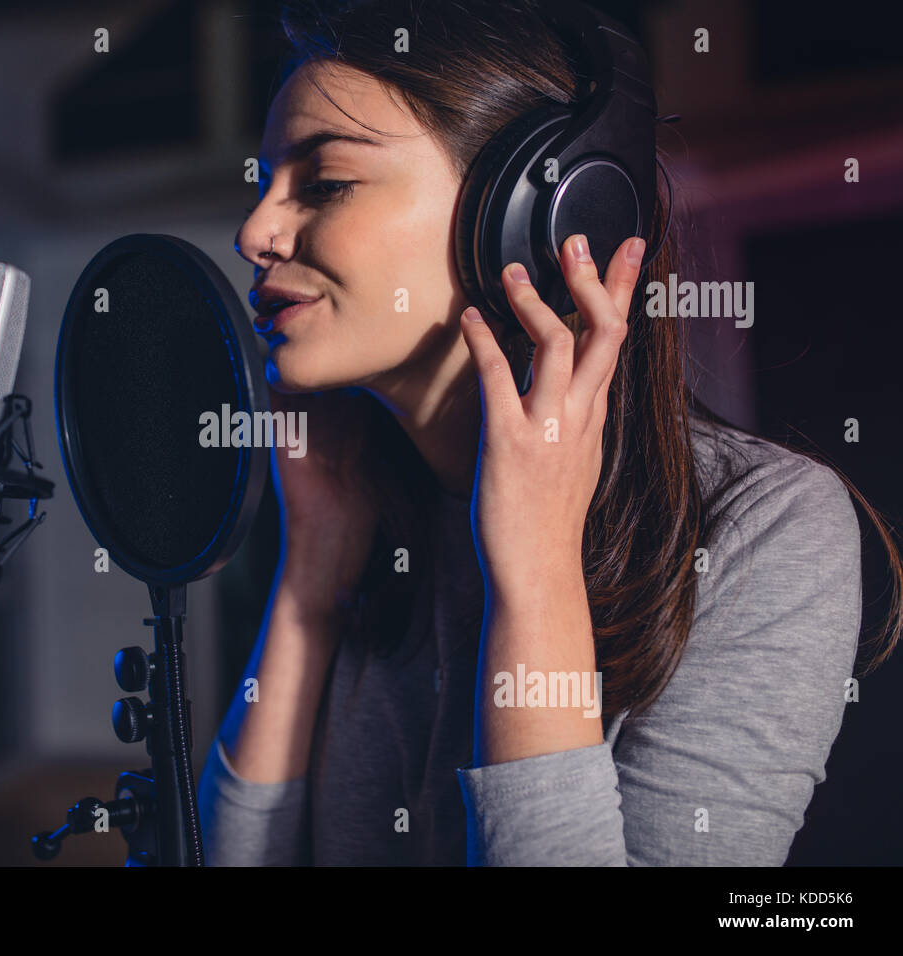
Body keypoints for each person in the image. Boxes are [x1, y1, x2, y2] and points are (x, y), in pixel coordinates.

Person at [196, 0, 902, 866]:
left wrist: (535, 573)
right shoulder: (370, 512)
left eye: (326, 183)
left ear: (545, 216)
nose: (254, 232)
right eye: (263, 184)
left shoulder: (766, 524)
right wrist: (313, 566)